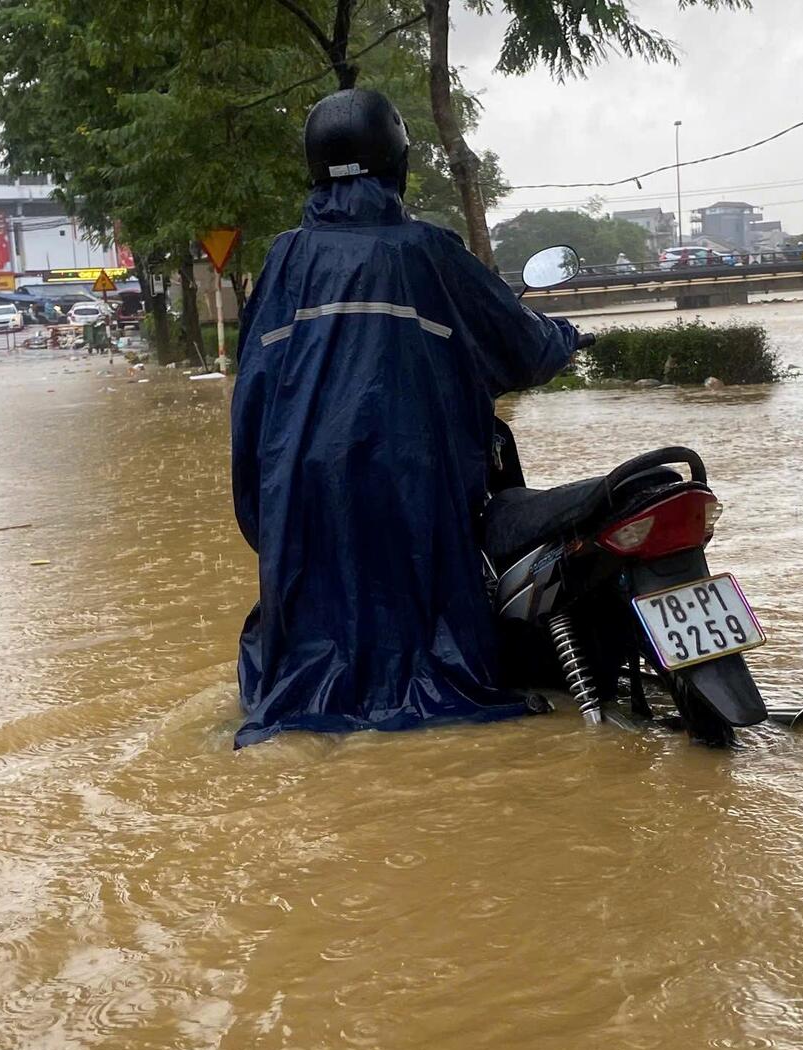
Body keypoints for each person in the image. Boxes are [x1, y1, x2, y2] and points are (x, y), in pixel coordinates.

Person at [230, 88, 580, 748]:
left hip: (299, 493)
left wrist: (267, 514)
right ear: (399, 164)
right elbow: (523, 346)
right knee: (435, 636)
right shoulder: (429, 254)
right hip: (414, 483)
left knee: (307, 653)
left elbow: (249, 404)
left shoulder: (281, 265)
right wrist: (565, 336)